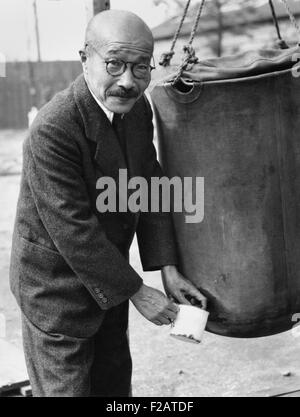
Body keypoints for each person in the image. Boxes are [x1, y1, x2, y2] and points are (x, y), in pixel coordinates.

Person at [9, 10, 207, 397]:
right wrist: (137, 291)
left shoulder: (138, 111)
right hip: (55, 289)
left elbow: (148, 186)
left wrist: (167, 268)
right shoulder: (54, 128)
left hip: (108, 277)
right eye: (114, 64)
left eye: (140, 67)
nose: (128, 81)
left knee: (114, 388)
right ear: (85, 59)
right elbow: (73, 229)